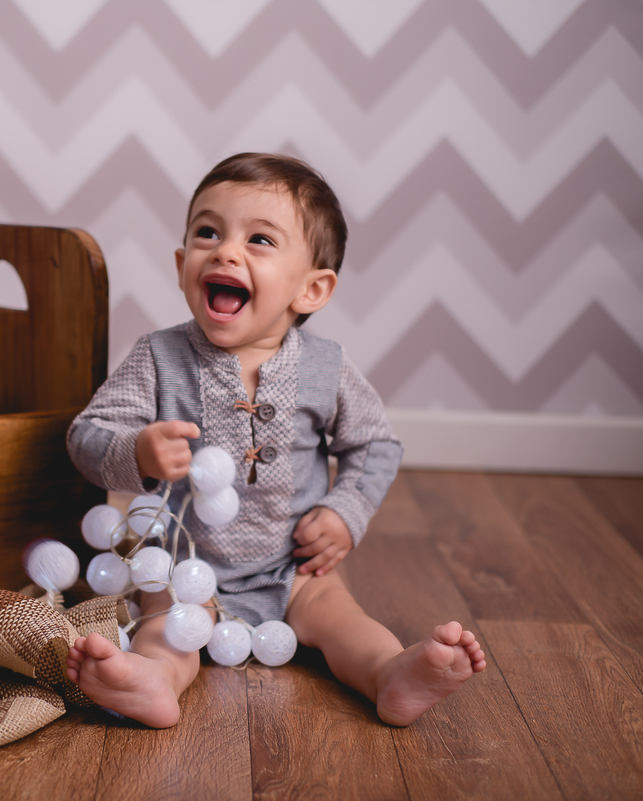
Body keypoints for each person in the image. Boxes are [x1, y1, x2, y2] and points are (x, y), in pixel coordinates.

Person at [64, 153, 485, 728]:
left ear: (311, 289)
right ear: (184, 262)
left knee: (342, 621)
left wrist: (344, 513)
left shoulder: (326, 368)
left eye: (259, 240)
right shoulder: (159, 357)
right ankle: (153, 681)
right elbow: (87, 434)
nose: (226, 250)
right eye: (208, 232)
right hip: (189, 564)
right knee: (165, 622)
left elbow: (375, 445)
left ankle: (391, 672)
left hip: (294, 569)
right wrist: (136, 451)